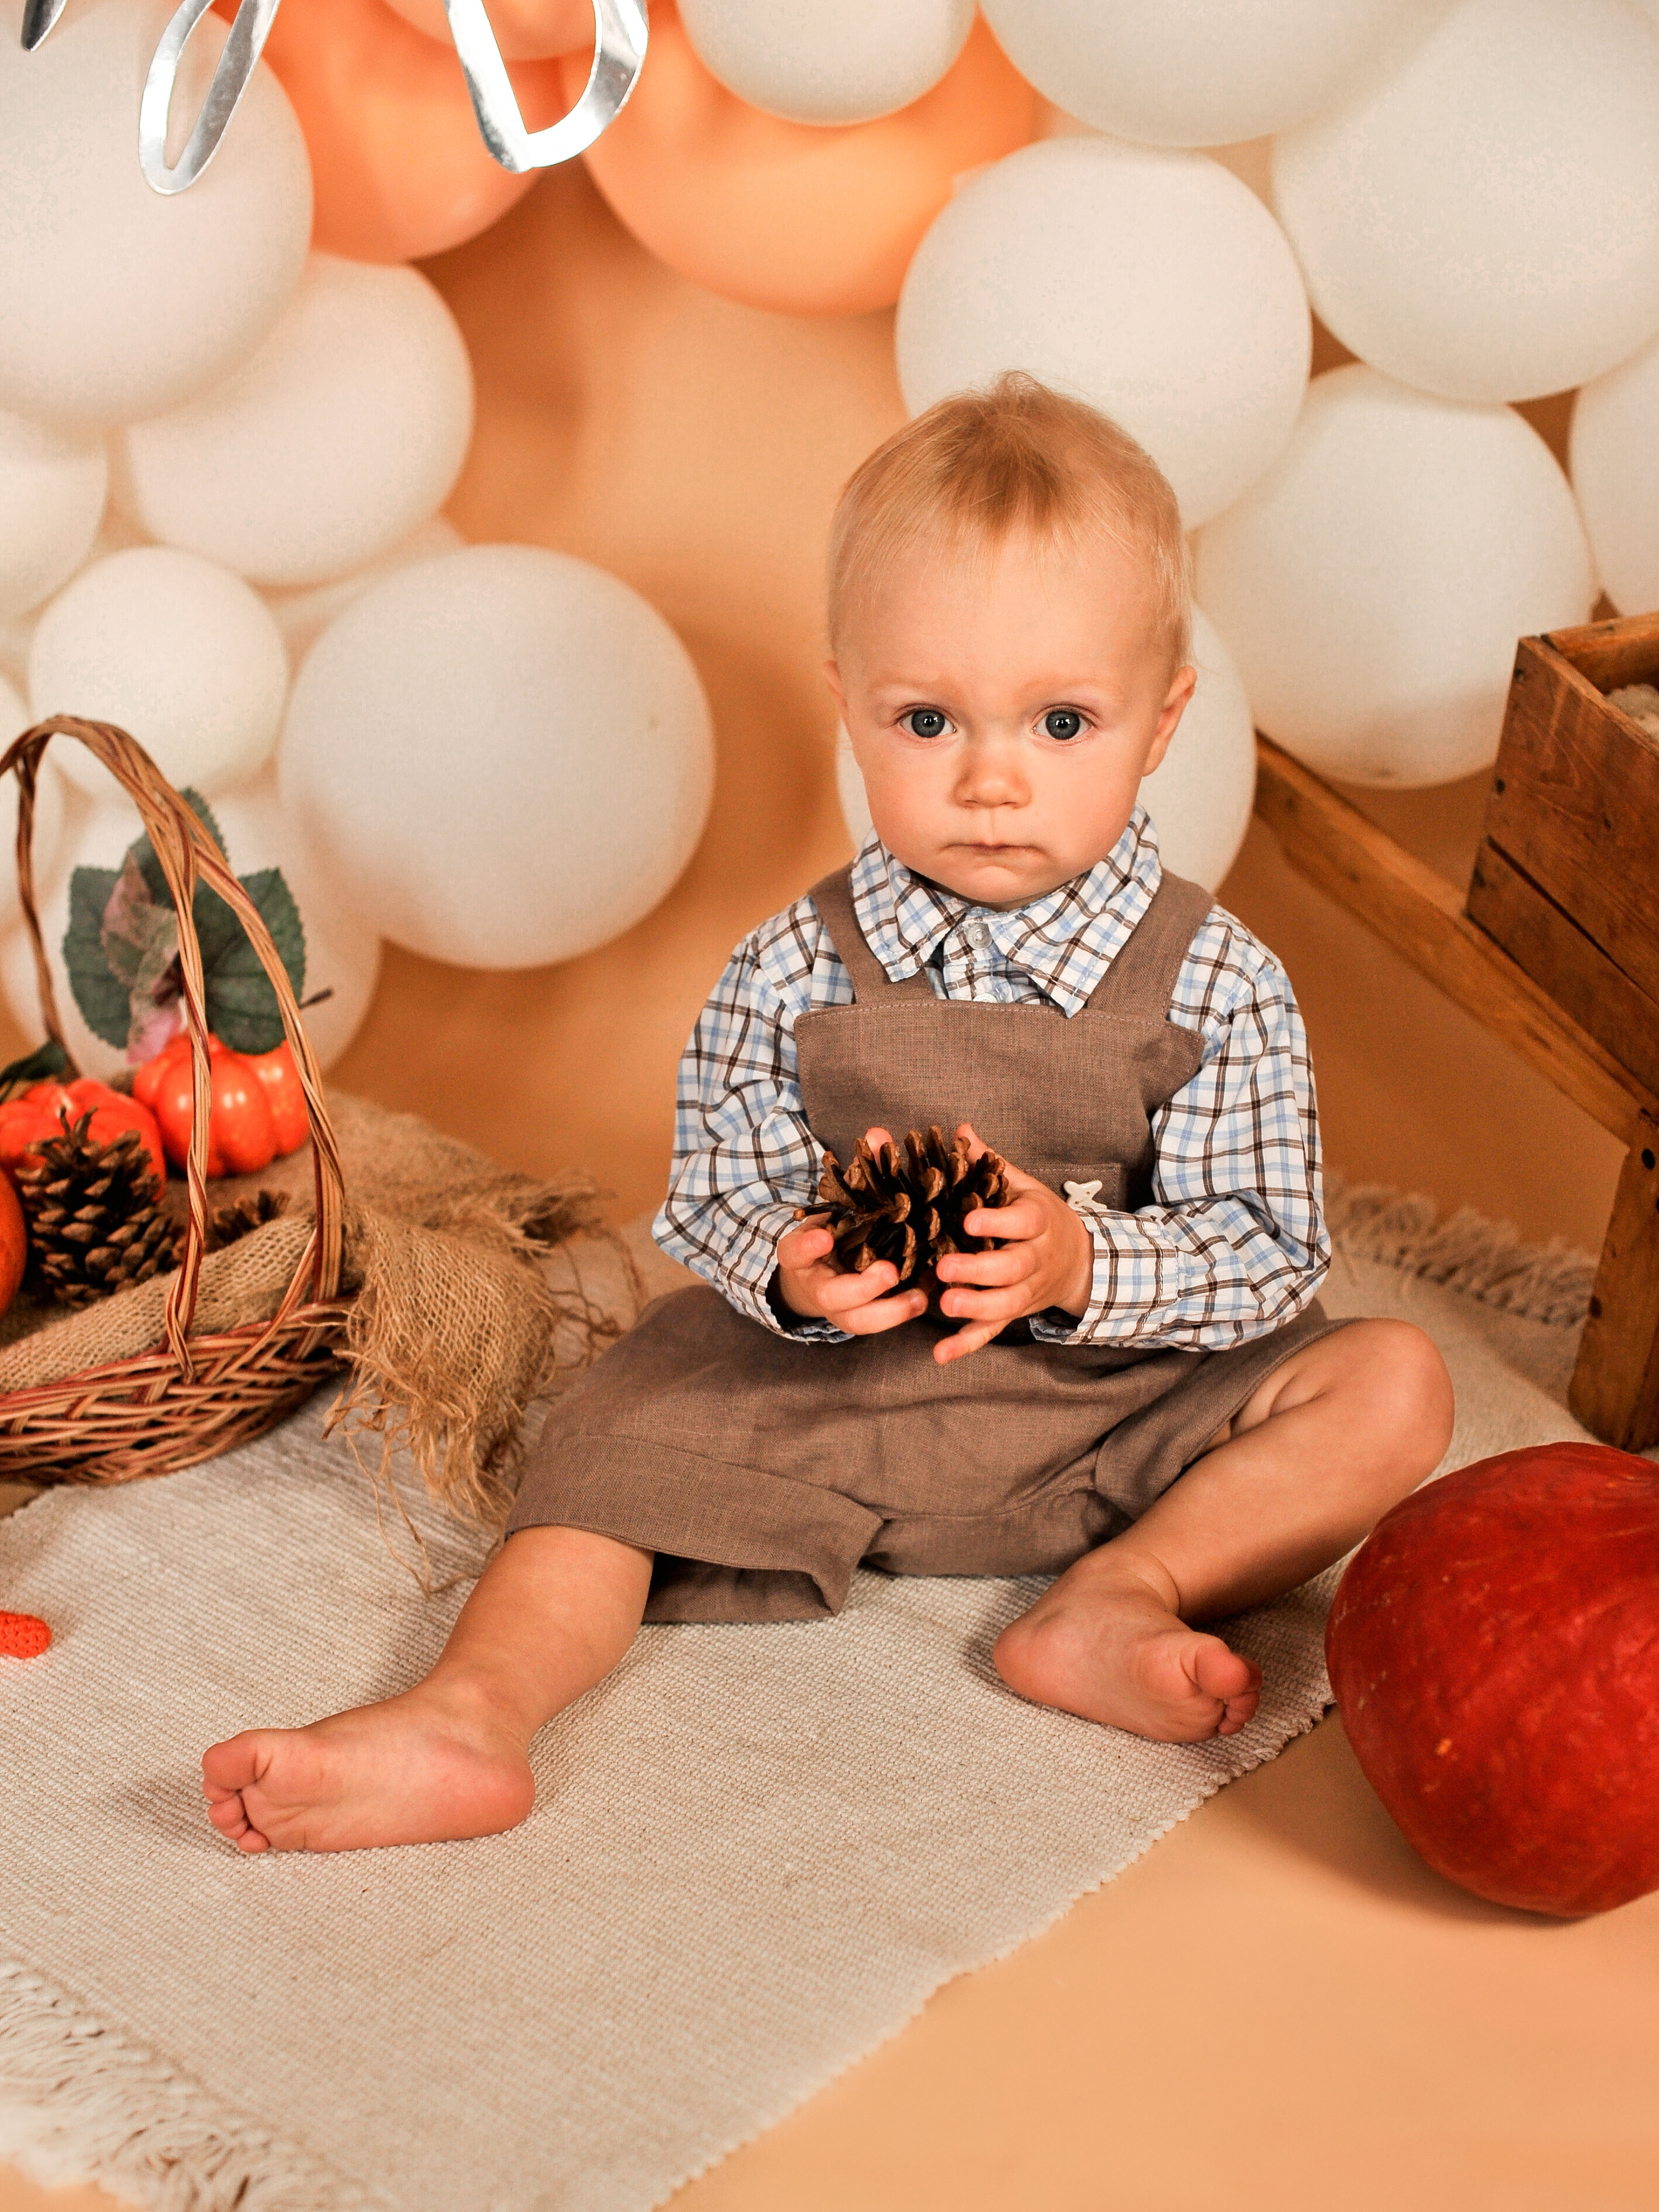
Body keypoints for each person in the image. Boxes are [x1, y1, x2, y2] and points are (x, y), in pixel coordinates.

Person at [202, 374, 1454, 1855]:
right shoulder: (794, 959)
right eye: (927, 719)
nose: (990, 780)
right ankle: (469, 1716)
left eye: (1061, 721)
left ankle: (1121, 1595)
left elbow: (1263, 1248)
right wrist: (791, 1265)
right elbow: (716, 1180)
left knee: (1387, 1383)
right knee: (605, 1440)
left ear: (1162, 720)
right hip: (831, 1400)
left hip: (1113, 1412)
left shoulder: (1218, 978)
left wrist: (1079, 1264)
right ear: (848, 706)